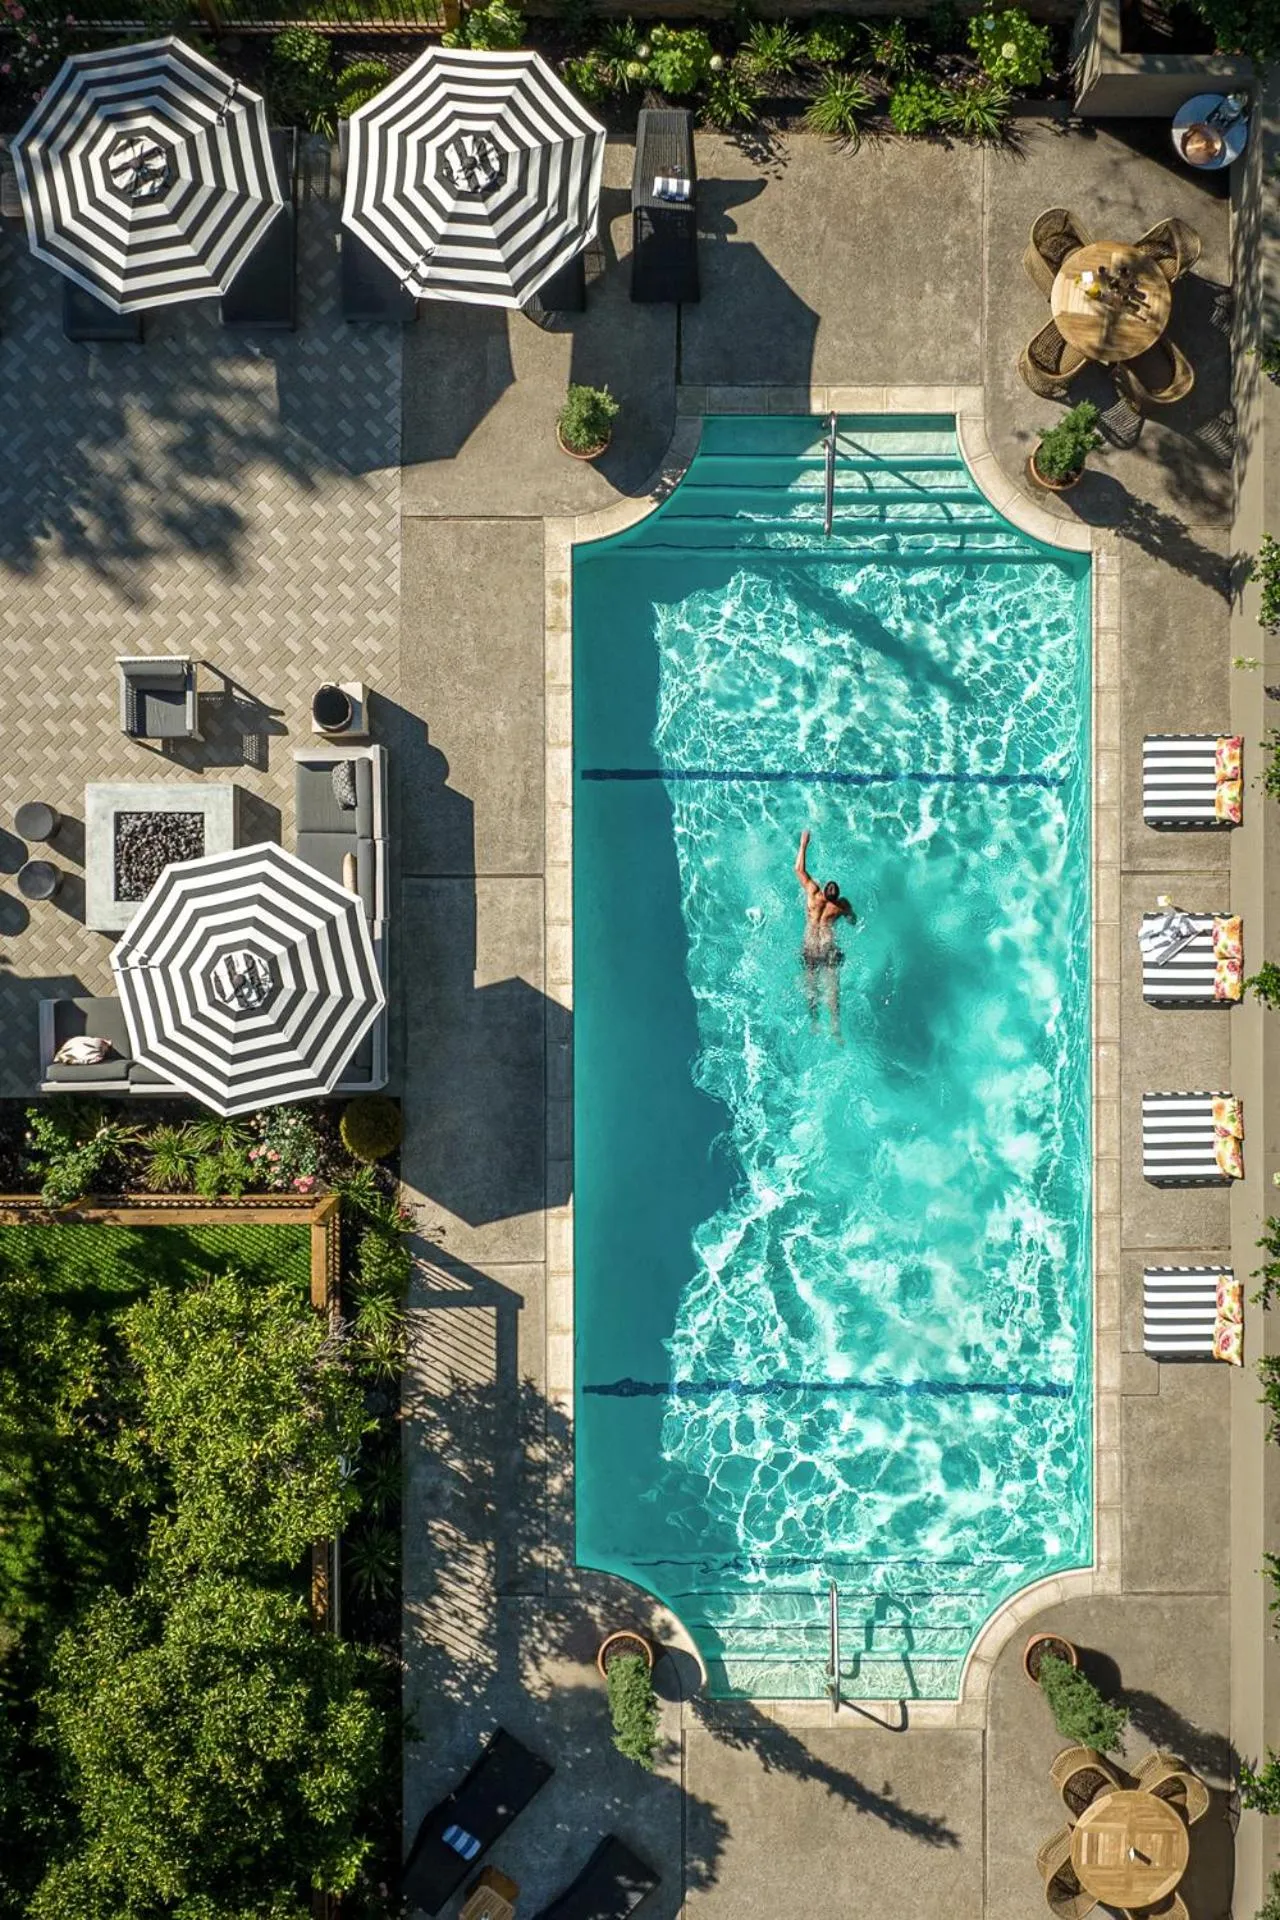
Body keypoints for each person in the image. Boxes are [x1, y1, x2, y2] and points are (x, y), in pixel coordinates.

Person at [794, 828, 855, 1035]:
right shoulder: (841, 905)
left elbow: (799, 870)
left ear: (824, 890)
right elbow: (852, 920)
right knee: (833, 989)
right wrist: (850, 917)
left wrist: (803, 845)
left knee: (811, 986)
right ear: (836, 896)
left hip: (810, 945)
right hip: (828, 946)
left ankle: (814, 1023)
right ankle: (835, 1026)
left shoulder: (812, 893)